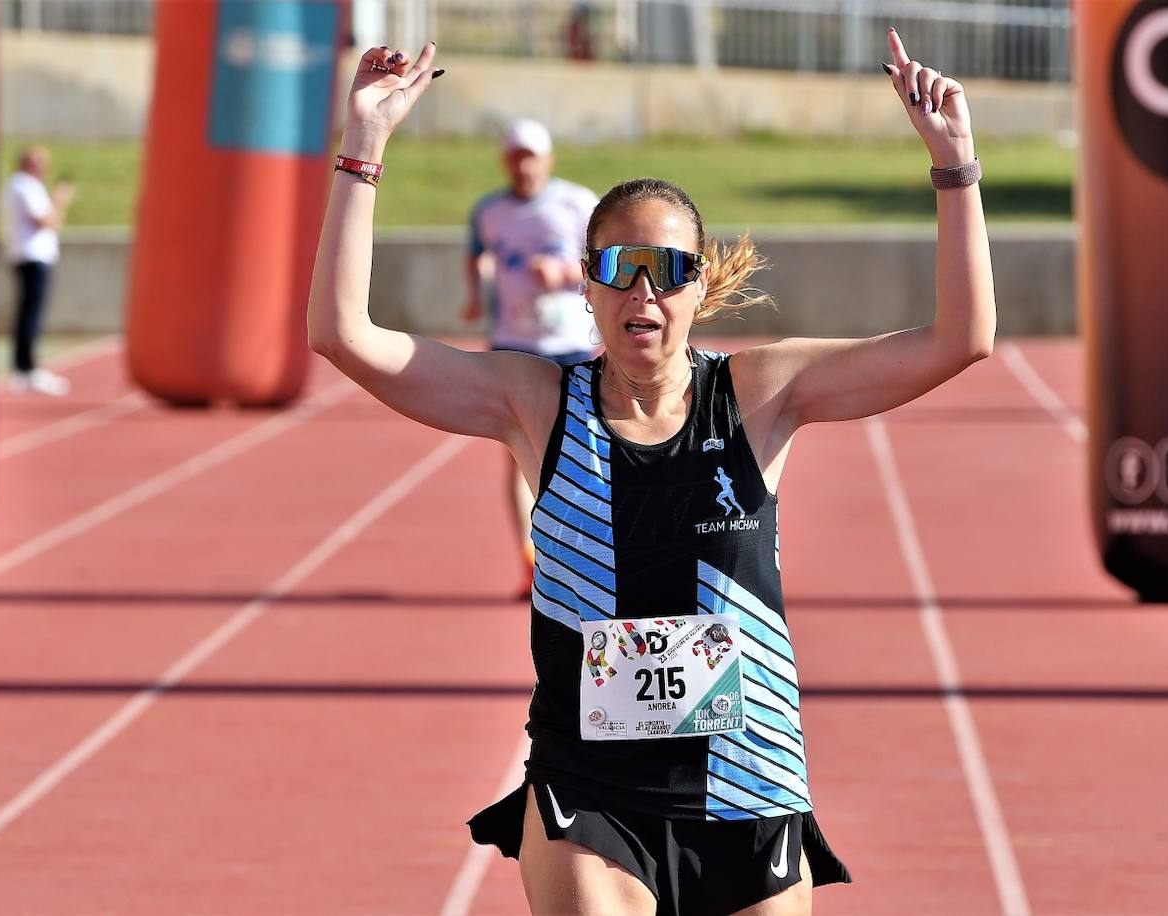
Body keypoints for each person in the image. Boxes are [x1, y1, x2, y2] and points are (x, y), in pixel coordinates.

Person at [309, 29, 995, 915]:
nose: (642, 295)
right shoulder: (537, 402)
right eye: (618, 270)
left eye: (665, 271)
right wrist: (363, 147)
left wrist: (956, 170)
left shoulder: (759, 394)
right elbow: (343, 337)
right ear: (586, 287)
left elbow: (961, 340)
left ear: (698, 286)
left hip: (751, 785)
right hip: (591, 788)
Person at [463, 117, 601, 597]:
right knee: (519, 456)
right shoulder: (490, 211)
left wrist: (565, 274)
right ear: (506, 160)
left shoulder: (579, 204)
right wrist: (474, 296)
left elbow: (604, 266)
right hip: (512, 345)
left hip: (569, 344)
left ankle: (583, 557)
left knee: (582, 457)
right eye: (516, 156)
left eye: (532, 156)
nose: (524, 166)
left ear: (548, 158)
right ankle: (531, 560)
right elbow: (475, 253)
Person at [2, 145, 74, 396]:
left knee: (28, 312)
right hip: (32, 257)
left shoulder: (20, 185)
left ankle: (24, 367)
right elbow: (47, 222)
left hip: (29, 256)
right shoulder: (24, 184)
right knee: (30, 314)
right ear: (28, 163)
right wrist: (61, 200)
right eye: (41, 162)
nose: (45, 168)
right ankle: (27, 368)